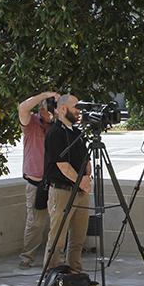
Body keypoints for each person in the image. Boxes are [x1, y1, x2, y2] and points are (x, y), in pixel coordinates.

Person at [43, 94, 92, 273]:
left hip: (80, 192)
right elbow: (63, 166)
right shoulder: (54, 133)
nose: (79, 111)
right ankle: (53, 278)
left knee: (78, 239)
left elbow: (87, 159)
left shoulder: (78, 133)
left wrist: (87, 178)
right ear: (63, 109)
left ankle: (75, 275)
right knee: (57, 238)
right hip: (62, 191)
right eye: (75, 107)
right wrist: (82, 182)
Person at [17, 91, 58, 269]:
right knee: (35, 223)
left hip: (57, 182)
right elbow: (22, 108)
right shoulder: (31, 122)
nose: (46, 108)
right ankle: (27, 257)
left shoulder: (59, 126)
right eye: (44, 105)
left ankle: (57, 258)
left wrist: (56, 111)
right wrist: (45, 95)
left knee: (59, 222)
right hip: (36, 182)